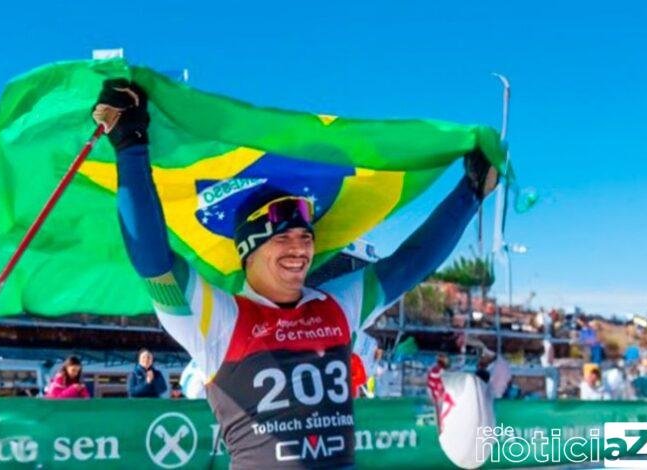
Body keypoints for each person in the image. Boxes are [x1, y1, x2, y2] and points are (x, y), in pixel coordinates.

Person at [93, 79, 498, 469]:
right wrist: (130, 143)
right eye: (282, 238)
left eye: (306, 237)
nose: (301, 248)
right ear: (248, 250)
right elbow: (154, 261)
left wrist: (471, 192)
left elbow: (410, 263)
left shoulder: (336, 306)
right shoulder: (219, 321)